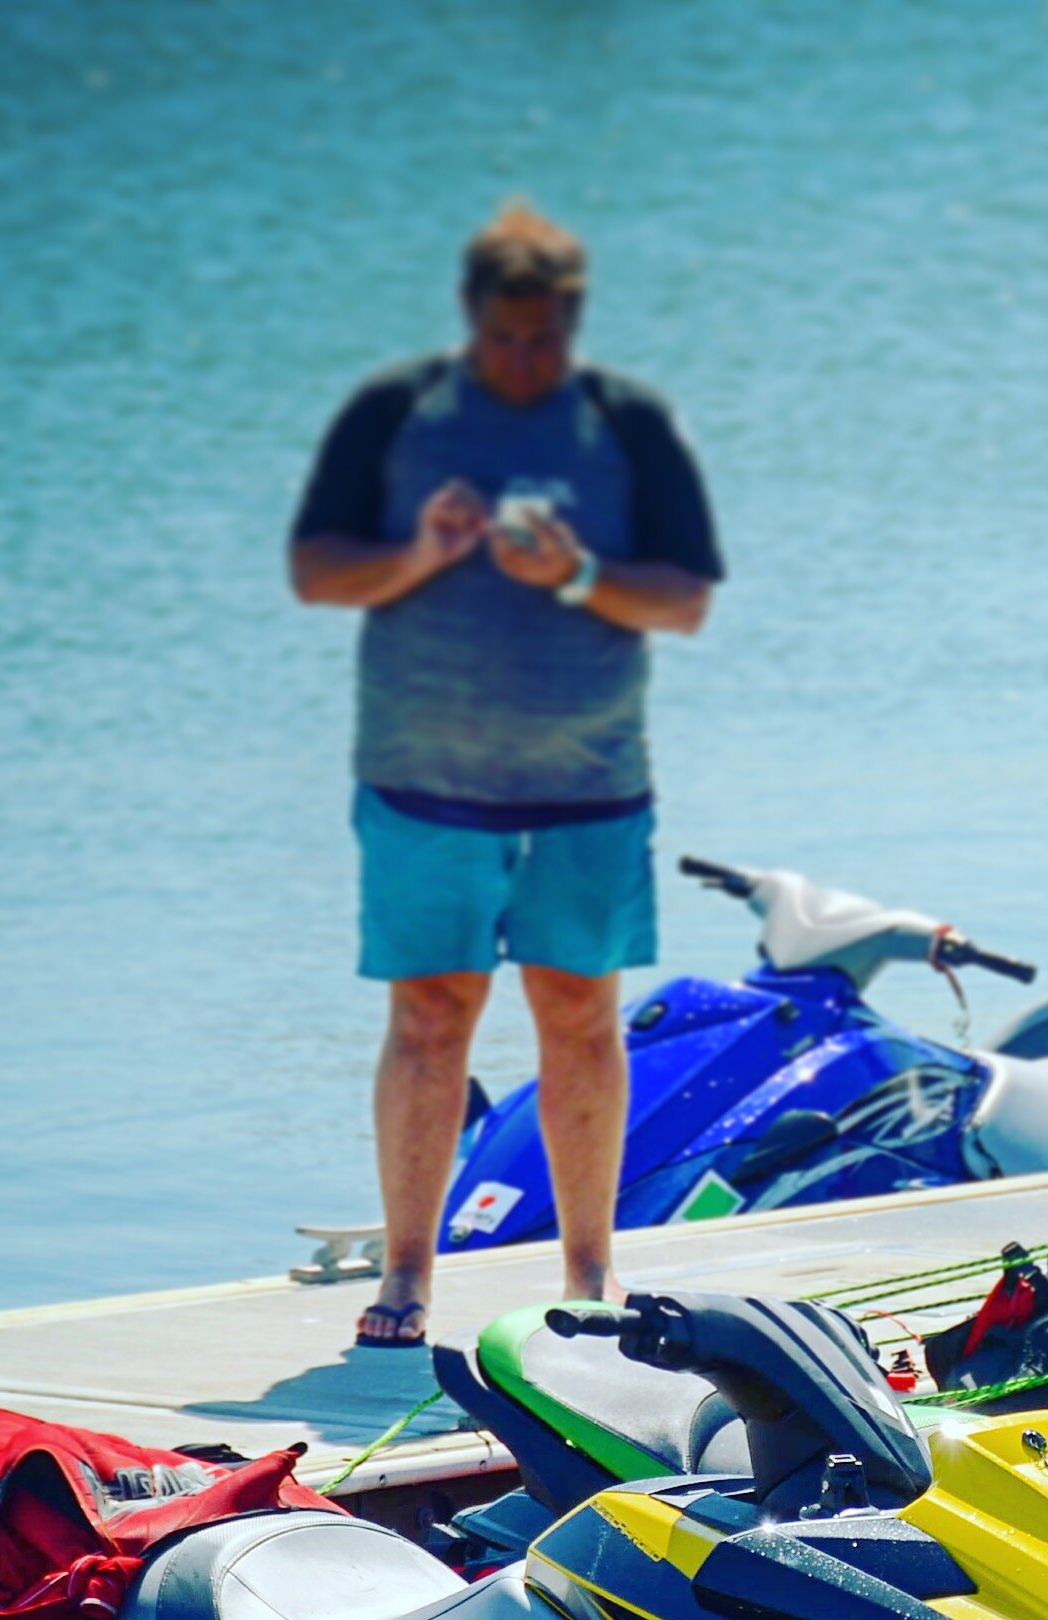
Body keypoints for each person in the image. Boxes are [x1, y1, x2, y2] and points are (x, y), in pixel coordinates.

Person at [289, 201, 722, 1347]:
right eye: (503, 337)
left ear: (573, 319)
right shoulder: (394, 413)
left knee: (580, 1013)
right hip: (423, 782)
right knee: (430, 1014)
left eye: (545, 337)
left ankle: (589, 1276)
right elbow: (318, 573)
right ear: (470, 314)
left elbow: (683, 599)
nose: (524, 359)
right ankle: (406, 1275)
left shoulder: (628, 424)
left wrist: (577, 576)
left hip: (588, 782)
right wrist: (419, 553)